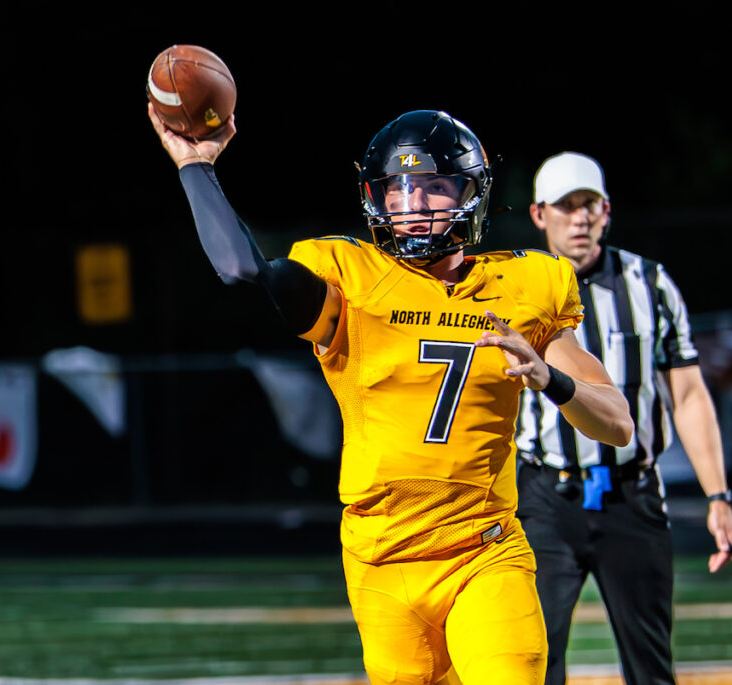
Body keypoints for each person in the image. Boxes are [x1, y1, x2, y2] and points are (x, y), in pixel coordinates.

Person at [147, 107, 634, 685]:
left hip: (485, 548)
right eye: (399, 189)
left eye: (433, 186)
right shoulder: (349, 279)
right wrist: (195, 167)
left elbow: (617, 424)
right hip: (383, 557)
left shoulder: (528, 284)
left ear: (470, 193)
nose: (416, 203)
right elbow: (238, 268)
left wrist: (552, 379)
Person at [514, 152, 732, 685]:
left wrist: (718, 498)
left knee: (651, 669)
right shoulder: (517, 287)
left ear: (606, 210)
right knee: (531, 665)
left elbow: (688, 394)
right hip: (544, 497)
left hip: (631, 492)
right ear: (538, 214)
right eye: (565, 206)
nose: (579, 217)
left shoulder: (650, 283)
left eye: (588, 204)